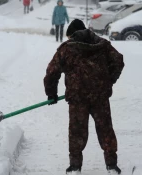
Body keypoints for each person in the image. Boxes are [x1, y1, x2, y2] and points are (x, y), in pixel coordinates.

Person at [44, 19, 124, 175]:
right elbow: (118, 61)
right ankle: (112, 165)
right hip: (100, 96)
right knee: (105, 129)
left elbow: (51, 72)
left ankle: (75, 167)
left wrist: (51, 94)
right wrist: (108, 81)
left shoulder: (66, 49)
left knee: (77, 131)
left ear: (72, 35)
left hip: (77, 98)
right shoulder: (103, 45)